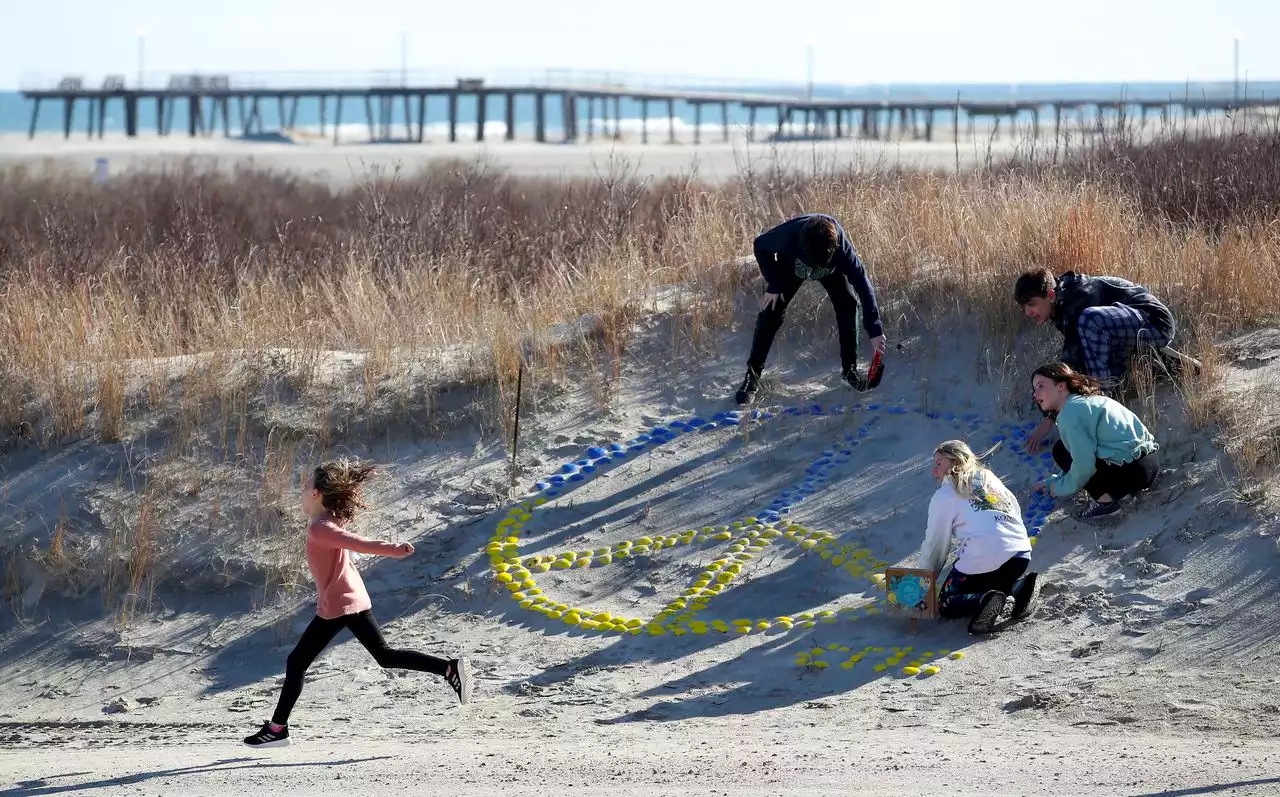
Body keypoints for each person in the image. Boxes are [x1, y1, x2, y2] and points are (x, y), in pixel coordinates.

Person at [243, 459, 471, 749]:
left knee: (296, 661)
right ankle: (449, 669)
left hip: (339, 604)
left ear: (316, 494)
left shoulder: (321, 528)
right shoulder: (328, 520)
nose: (301, 492)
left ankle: (277, 729)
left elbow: (355, 541)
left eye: (304, 487)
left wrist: (392, 550)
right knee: (385, 656)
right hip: (352, 598)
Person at [1014, 267, 1195, 454]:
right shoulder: (1062, 301)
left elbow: (1071, 363)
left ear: (1050, 295)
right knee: (1094, 348)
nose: (1027, 312)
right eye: (1023, 307)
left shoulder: (1077, 298)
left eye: (1031, 304)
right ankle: (1157, 363)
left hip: (1155, 322)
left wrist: (1051, 418)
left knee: (1090, 321)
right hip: (1126, 329)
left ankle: (1102, 412)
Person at [735, 213, 887, 404]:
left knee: (848, 304)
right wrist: (774, 284)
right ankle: (752, 377)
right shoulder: (788, 235)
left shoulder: (842, 249)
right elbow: (759, 245)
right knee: (771, 311)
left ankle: (850, 371)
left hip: (831, 271)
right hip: (791, 267)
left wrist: (875, 330)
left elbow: (862, 284)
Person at [917, 440, 1038, 635]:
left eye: (938, 463)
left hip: (985, 555)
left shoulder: (946, 494)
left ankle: (983, 600)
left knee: (947, 602)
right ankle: (1018, 588)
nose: (934, 472)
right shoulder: (991, 480)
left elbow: (936, 546)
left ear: (955, 460)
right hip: (1020, 553)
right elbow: (1015, 512)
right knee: (989, 574)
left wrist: (920, 584)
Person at [1029, 363, 1160, 519]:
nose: (1035, 394)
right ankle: (1118, 492)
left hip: (1131, 473)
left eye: (1040, 386)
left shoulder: (1070, 413)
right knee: (1065, 449)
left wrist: (1059, 487)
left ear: (1061, 386)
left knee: (1060, 451)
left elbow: (1084, 465)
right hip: (1150, 466)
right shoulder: (1089, 400)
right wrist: (1054, 481)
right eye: (1034, 389)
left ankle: (1106, 502)